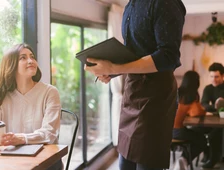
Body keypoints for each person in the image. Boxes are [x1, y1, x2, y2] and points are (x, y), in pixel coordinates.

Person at [84, 0, 186, 169]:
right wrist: (113, 71)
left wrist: (116, 66)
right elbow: (135, 53)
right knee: (124, 163)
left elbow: (168, 57)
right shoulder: (130, 5)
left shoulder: (166, 3)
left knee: (146, 164)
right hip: (132, 92)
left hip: (155, 98)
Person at [0, 43, 62, 170]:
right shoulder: (3, 95)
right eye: (23, 58)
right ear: (11, 66)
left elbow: (49, 133)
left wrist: (21, 138)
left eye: (32, 57)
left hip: (46, 164)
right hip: (12, 163)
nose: (30, 61)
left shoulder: (50, 92)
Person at [172, 71, 208, 170]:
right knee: (202, 140)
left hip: (164, 132)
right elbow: (196, 113)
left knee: (195, 134)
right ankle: (183, 160)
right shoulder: (190, 96)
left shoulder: (177, 92)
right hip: (177, 132)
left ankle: (182, 160)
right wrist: (202, 109)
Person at [199, 62, 224, 168]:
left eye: (217, 76)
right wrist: (215, 107)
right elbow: (203, 104)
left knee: (217, 133)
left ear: (223, 76)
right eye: (212, 76)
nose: (214, 79)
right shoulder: (208, 88)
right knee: (200, 131)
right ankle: (209, 156)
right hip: (214, 121)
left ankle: (215, 159)